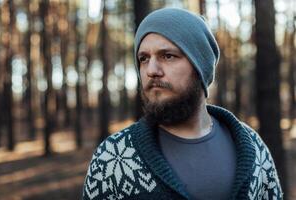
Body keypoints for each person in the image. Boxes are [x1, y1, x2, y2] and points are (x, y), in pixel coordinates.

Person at [82, 8, 283, 200]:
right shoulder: (112, 158)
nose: (151, 70)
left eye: (168, 56)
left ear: (200, 67)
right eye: (143, 58)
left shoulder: (253, 147)